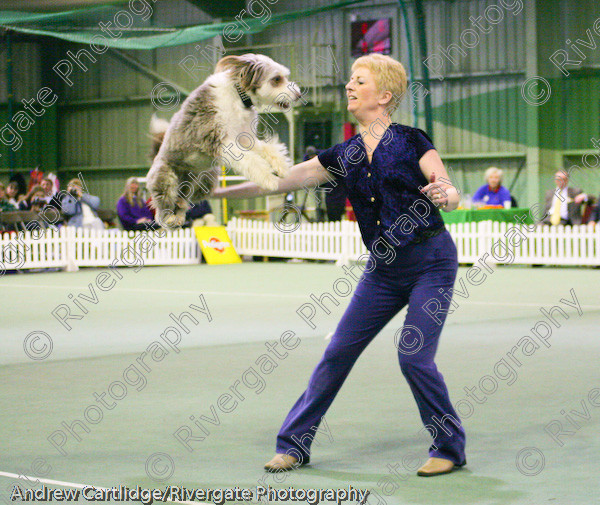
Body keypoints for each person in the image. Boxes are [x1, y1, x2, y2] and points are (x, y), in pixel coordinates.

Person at [211, 54, 465, 477]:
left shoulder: (412, 140)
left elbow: (445, 184)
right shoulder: (343, 154)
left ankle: (449, 447)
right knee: (337, 352)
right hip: (383, 272)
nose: (348, 85)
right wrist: (211, 196)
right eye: (350, 79)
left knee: (414, 357)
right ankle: (294, 444)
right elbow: (277, 180)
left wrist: (448, 196)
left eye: (358, 80)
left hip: (431, 263)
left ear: (383, 96)